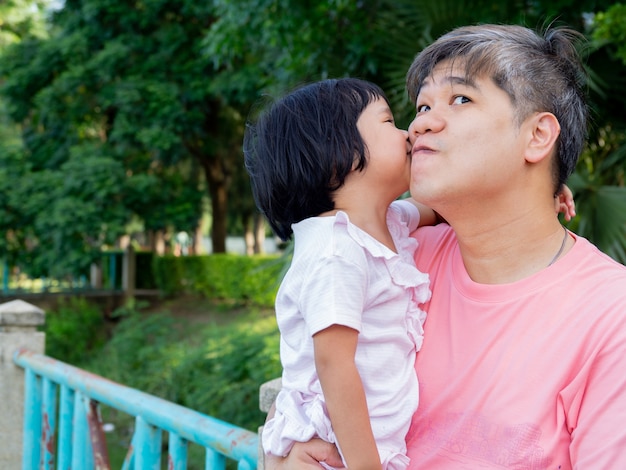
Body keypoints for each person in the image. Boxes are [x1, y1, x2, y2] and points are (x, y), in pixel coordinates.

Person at [268, 24, 626, 469]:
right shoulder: (394, 257)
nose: (420, 124)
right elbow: (312, 379)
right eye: (422, 105)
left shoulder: (612, 318)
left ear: (537, 136)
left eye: (461, 99)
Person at [244, 78, 434, 469]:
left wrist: (537, 193)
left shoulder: (390, 221)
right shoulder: (337, 251)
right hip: (336, 451)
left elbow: (444, 206)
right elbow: (334, 364)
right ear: (342, 155)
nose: (408, 133)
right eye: (388, 123)